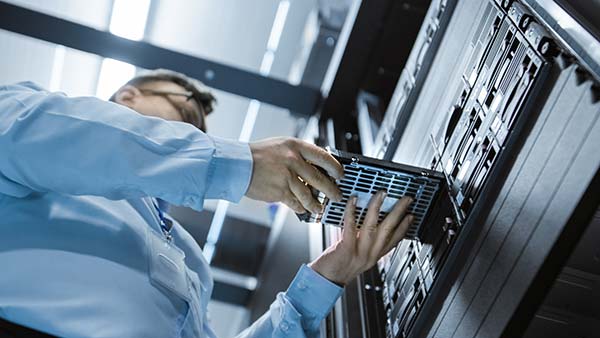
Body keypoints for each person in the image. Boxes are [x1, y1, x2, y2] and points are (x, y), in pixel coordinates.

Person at [0, 69, 413, 338]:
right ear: (128, 96)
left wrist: (329, 274)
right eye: (184, 110)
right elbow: (43, 132)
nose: (192, 132)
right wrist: (239, 165)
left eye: (198, 131)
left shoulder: (187, 259)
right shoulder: (24, 119)